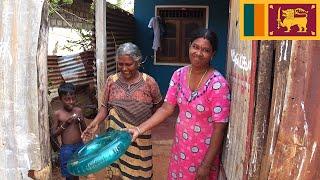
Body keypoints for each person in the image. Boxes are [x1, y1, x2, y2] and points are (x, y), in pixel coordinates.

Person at [127, 29, 231, 180]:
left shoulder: (218, 84)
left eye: (205, 50)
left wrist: (206, 165)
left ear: (213, 54)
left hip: (204, 153)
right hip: (181, 147)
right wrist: (139, 129)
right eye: (195, 47)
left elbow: (219, 129)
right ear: (189, 46)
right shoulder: (179, 75)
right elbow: (166, 108)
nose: (199, 53)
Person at [81, 42, 162, 179]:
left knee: (140, 171)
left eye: (129, 64)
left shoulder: (149, 82)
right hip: (115, 137)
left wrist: (142, 124)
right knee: (116, 171)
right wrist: (95, 123)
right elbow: (105, 107)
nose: (124, 68)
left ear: (138, 62)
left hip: (140, 134)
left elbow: (158, 106)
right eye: (120, 64)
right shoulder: (111, 81)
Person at [51, 83, 87, 180]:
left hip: (79, 146)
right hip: (67, 148)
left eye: (73, 98)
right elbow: (54, 134)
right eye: (67, 99)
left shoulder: (78, 111)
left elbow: (84, 129)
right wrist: (65, 124)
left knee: (77, 171)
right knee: (69, 174)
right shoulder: (58, 114)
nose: (71, 101)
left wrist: (81, 120)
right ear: (60, 99)